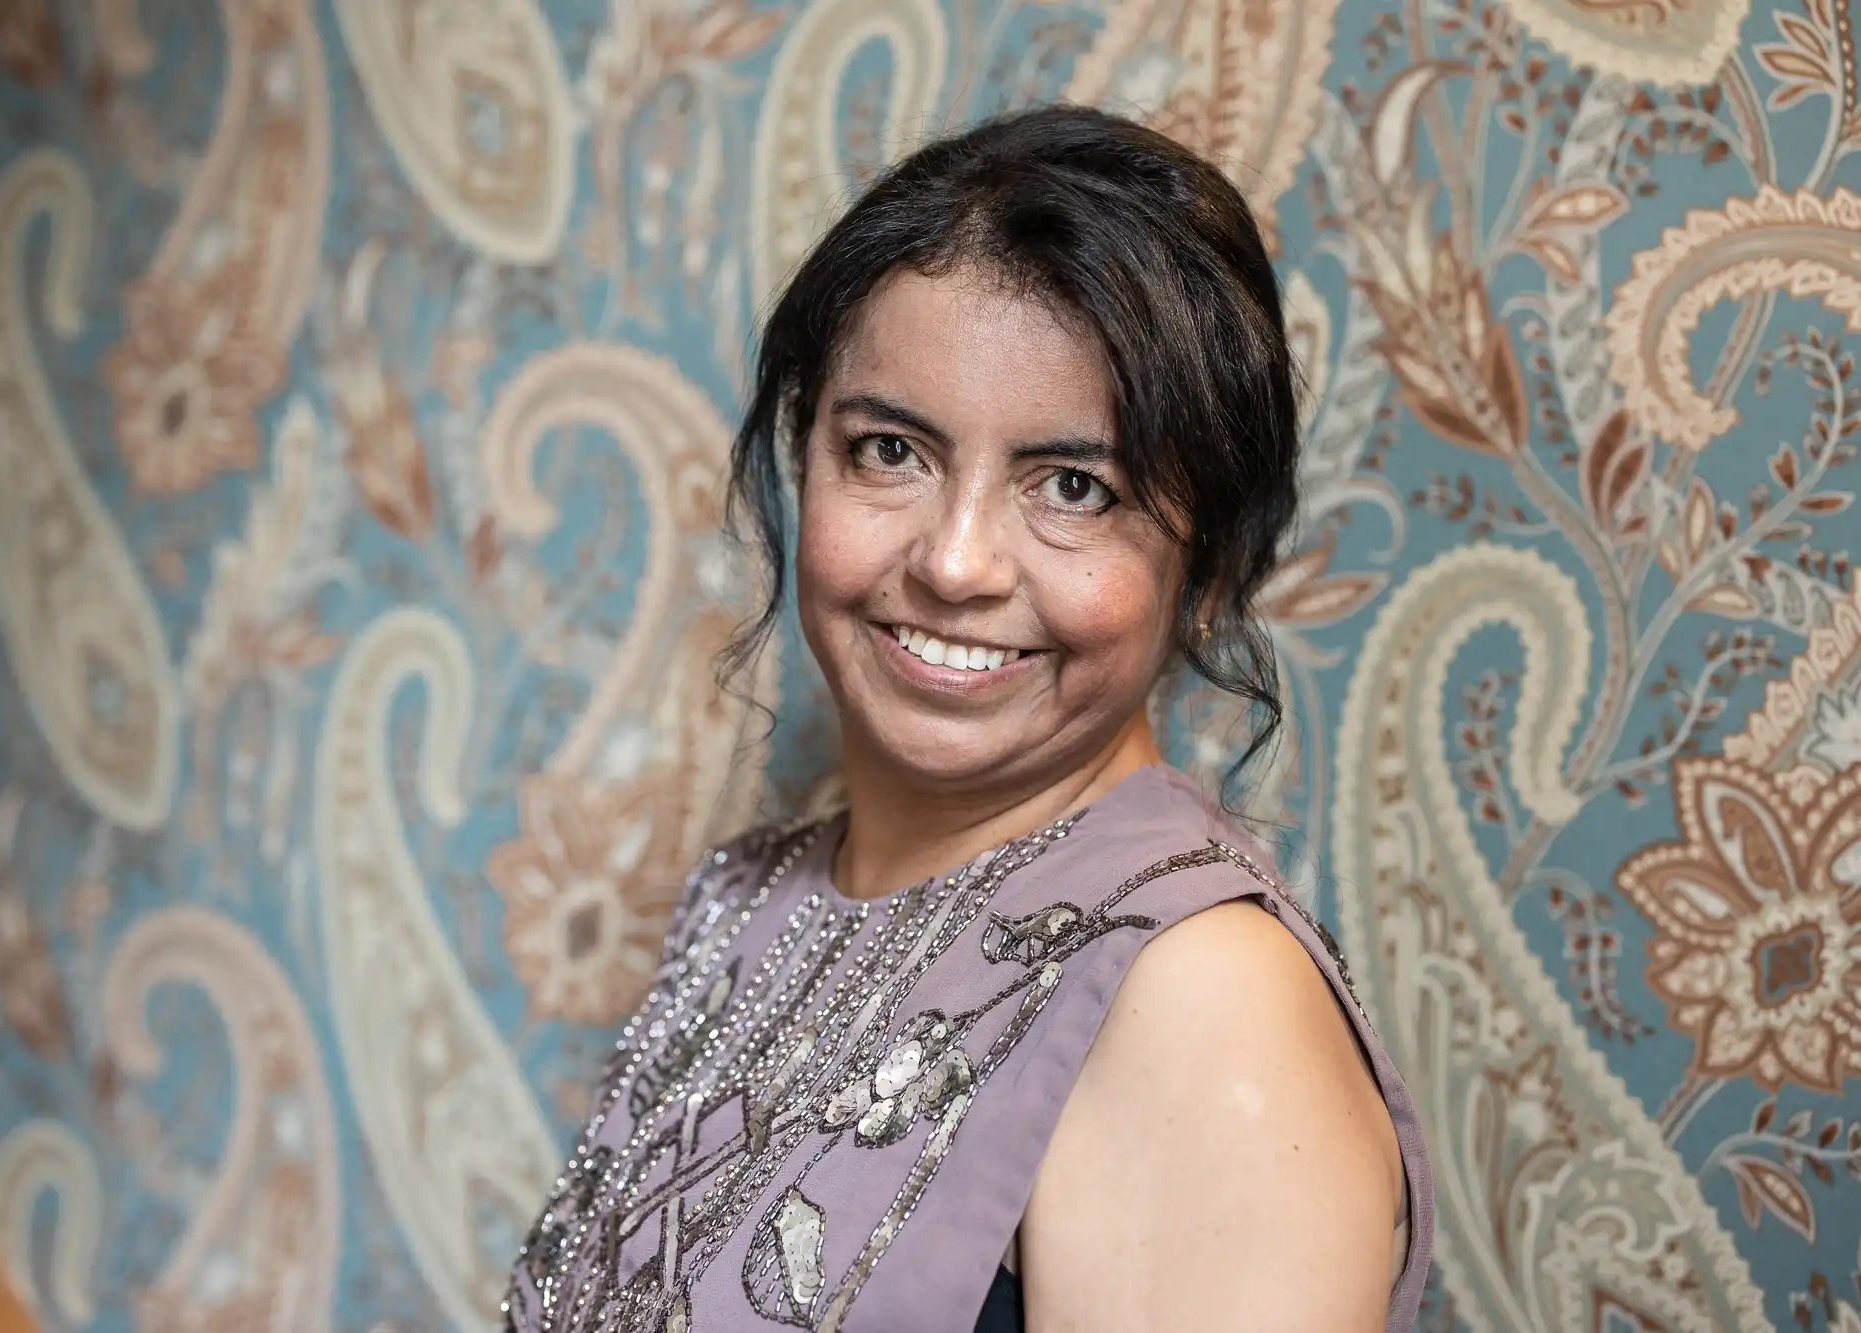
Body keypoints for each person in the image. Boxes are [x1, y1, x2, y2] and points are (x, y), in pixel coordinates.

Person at [501, 104, 1433, 1333]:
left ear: (1205, 572)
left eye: (1071, 487)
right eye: (889, 450)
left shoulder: (1201, 1002)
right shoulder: (747, 897)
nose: (952, 562)